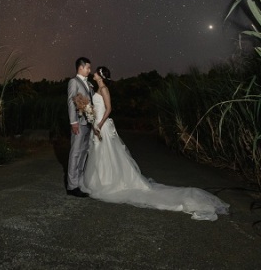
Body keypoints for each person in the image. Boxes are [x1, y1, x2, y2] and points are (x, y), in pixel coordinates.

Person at [84, 66, 230, 220]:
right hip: (97, 124)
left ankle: (109, 182)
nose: (94, 73)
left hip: (102, 126)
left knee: (107, 153)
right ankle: (102, 180)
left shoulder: (104, 89)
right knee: (100, 154)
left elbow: (109, 109)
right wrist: (91, 115)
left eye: (96, 72)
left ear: (100, 75)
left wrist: (99, 124)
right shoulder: (97, 88)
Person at [65, 57, 93, 197]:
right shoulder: (73, 82)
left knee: (83, 153)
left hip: (88, 123)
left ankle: (79, 183)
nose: (89, 70)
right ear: (80, 67)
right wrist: (73, 122)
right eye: (88, 67)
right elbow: (71, 102)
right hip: (79, 123)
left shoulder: (89, 84)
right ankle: (72, 186)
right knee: (75, 153)